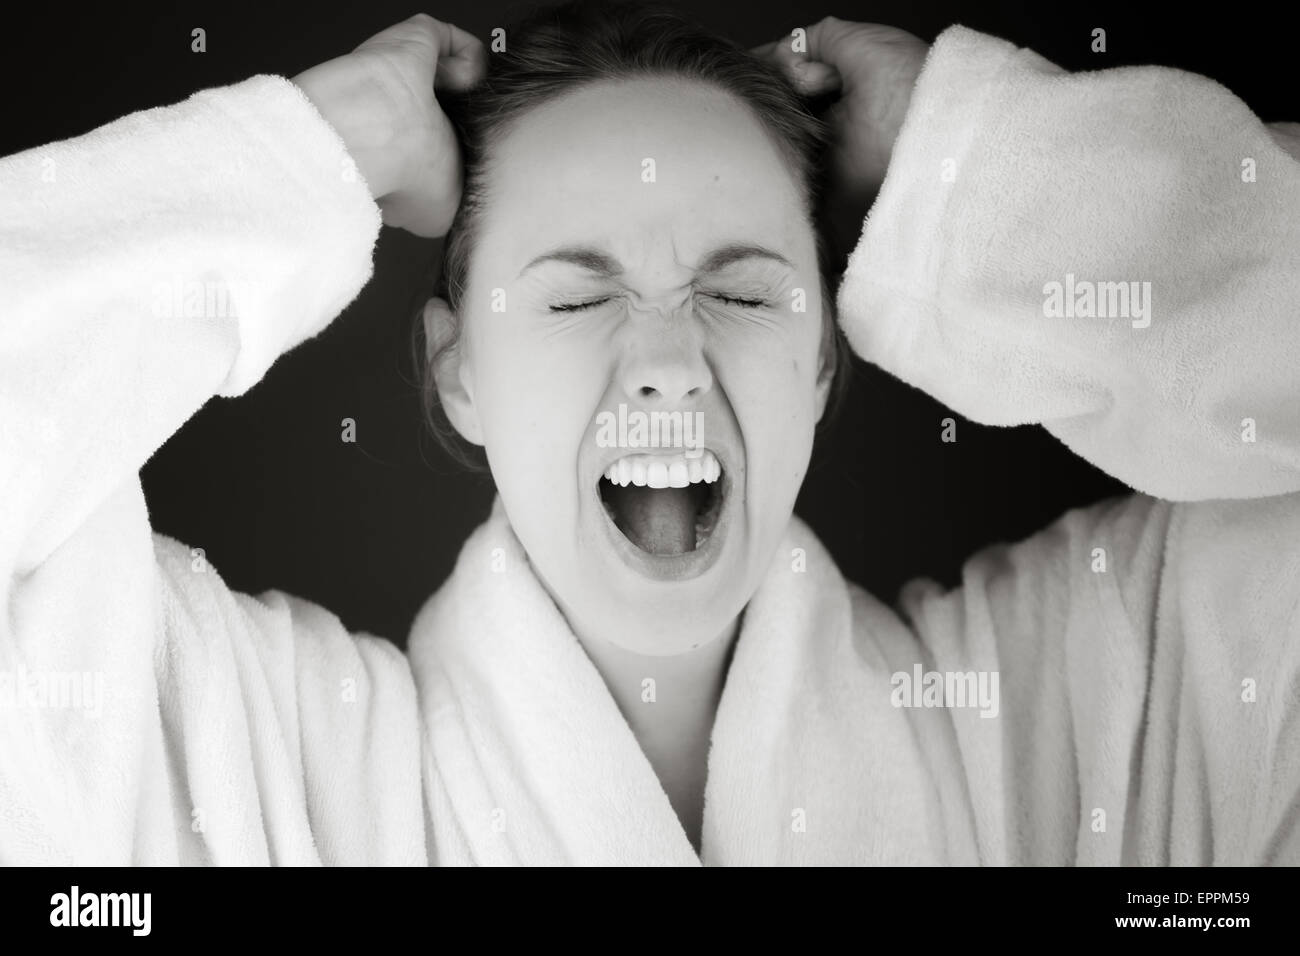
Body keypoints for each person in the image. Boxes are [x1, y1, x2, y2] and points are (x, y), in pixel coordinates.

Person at [1, 1, 1297, 865]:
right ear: (459, 376)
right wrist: (313, 154)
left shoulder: (1104, 712)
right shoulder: (249, 770)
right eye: (573, 296)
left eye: (741, 293)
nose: (668, 361)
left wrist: (988, 182)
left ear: (824, 369)